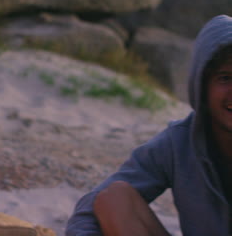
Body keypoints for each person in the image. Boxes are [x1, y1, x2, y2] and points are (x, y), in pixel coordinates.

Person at [66, 14, 232, 236]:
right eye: (225, 78)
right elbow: (91, 206)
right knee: (114, 199)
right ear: (201, 85)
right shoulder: (179, 143)